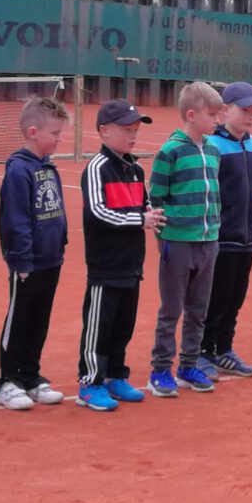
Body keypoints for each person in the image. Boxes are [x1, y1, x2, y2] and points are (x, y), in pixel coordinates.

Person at [77, 99, 161, 411]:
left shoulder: (136, 169)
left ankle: (115, 376)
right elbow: (99, 212)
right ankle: (90, 382)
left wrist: (150, 213)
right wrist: (141, 220)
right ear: (103, 131)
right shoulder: (96, 168)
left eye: (136, 130)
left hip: (131, 263)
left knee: (122, 325)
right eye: (127, 130)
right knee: (99, 326)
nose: (133, 135)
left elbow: (145, 203)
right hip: (104, 265)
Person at [0, 97, 70, 411]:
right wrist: (22, 259)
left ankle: (31, 375)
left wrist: (61, 244)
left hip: (51, 261)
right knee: (20, 319)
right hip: (27, 263)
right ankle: (8, 381)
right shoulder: (19, 170)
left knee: (39, 321)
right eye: (54, 132)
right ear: (33, 132)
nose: (59, 137)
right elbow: (17, 220)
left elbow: (57, 213)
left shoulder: (48, 167)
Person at [149, 82, 224, 394]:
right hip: (177, 244)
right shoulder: (170, 152)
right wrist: (167, 238)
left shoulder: (214, 150)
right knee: (171, 310)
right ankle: (161, 370)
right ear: (191, 115)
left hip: (209, 242)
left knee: (199, 309)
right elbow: (157, 201)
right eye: (212, 114)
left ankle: (189, 366)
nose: (218, 120)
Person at [200, 82, 252, 378]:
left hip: (248, 238)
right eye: (245, 111)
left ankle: (224, 349)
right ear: (225, 110)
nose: (251, 117)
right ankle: (203, 352)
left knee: (235, 299)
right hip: (219, 238)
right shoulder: (211, 145)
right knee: (215, 297)